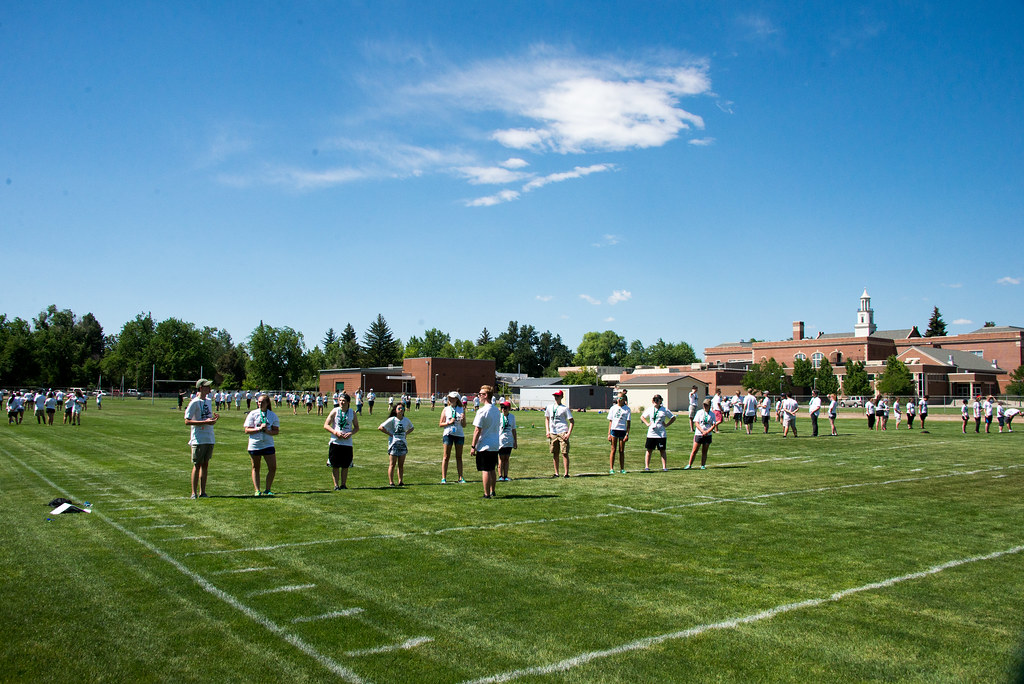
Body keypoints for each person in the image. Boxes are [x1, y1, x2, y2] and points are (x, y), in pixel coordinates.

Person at [184, 379, 219, 499]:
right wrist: (203, 422)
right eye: (207, 387)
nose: (209, 389)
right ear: (201, 388)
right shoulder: (194, 402)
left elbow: (208, 418)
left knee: (205, 464)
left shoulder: (209, 401)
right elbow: (187, 421)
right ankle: (193, 492)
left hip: (209, 437)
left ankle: (202, 492)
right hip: (198, 438)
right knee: (197, 464)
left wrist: (213, 420)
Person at [243, 393, 280, 496]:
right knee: (256, 467)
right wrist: (258, 429)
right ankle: (257, 490)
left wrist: (268, 431)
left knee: (272, 467)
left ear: (267, 403)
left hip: (268, 444)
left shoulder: (272, 415)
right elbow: (246, 430)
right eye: (259, 402)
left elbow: (276, 431)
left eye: (262, 402)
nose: (260, 404)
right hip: (255, 444)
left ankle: (268, 489)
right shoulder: (253, 414)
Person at [324, 392, 359, 490]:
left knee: (345, 465)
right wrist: (335, 433)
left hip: (347, 443)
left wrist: (351, 433)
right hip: (336, 441)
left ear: (348, 402)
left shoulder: (352, 413)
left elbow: (356, 427)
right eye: (340, 400)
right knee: (335, 465)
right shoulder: (335, 411)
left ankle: (343, 484)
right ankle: (336, 485)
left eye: (344, 401)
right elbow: (326, 425)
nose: (341, 402)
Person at [470, 385, 500, 498]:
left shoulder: (482, 411)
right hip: (495, 443)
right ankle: (493, 490)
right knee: (492, 468)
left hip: (485, 444)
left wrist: (473, 446)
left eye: (481, 394)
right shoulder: (496, 410)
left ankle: (486, 493)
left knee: (485, 469)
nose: (479, 396)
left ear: (486, 395)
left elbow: (477, 430)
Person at [378, 403, 413, 486]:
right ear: (395, 410)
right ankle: (391, 482)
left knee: (401, 465)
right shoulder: (392, 419)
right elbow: (380, 427)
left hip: (403, 443)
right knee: (392, 464)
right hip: (394, 444)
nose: (401, 410)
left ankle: (400, 481)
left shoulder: (406, 420)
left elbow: (412, 428)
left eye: (402, 409)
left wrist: (406, 434)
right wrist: (390, 434)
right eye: (399, 408)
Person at [641, 394, 676, 471]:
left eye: (658, 400)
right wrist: (647, 423)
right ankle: (647, 466)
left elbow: (673, 418)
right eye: (655, 400)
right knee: (649, 450)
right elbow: (642, 417)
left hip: (661, 433)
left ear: (661, 401)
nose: (656, 401)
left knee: (662, 450)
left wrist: (666, 425)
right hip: (651, 433)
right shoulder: (650, 409)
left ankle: (664, 467)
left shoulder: (664, 410)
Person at [439, 391, 466, 484]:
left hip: (459, 434)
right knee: (446, 456)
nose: (450, 400)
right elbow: (440, 423)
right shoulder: (446, 409)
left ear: (457, 399)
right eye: (449, 398)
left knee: (459, 457)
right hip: (448, 434)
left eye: (452, 398)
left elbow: (464, 425)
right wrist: (448, 422)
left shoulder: (461, 409)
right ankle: (443, 478)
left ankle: (460, 477)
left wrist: (463, 419)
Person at [545, 390, 574, 478]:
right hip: (553, 433)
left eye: (558, 396)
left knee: (564, 453)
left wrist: (568, 433)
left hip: (562, 432)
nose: (556, 397)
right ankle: (556, 472)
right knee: (555, 453)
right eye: (555, 396)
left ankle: (566, 473)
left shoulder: (564, 408)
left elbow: (572, 421)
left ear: (561, 397)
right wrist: (547, 430)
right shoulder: (550, 407)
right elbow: (547, 419)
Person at [686, 398, 715, 470]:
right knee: (694, 450)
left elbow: (713, 424)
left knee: (704, 451)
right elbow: (696, 423)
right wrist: (702, 431)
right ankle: (689, 464)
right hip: (699, 434)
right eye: (704, 405)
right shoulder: (699, 412)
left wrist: (707, 432)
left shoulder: (712, 414)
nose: (705, 406)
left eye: (706, 405)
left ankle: (703, 465)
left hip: (708, 435)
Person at [607, 393, 631, 473]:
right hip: (614, 430)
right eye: (618, 398)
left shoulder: (627, 409)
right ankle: (611, 468)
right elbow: (610, 421)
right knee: (613, 449)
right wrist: (609, 433)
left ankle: (622, 468)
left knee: (621, 450)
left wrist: (627, 434)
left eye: (620, 398)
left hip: (622, 430)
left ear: (624, 399)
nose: (618, 400)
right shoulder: (613, 408)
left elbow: (628, 423)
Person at [497, 400, 517, 482]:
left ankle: (506, 475)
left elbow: (514, 430)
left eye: (505, 408)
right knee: (501, 458)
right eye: (502, 407)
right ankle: (500, 475)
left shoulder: (512, 417)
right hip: (501, 441)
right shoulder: (499, 417)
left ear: (509, 408)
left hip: (509, 440)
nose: (503, 409)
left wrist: (515, 441)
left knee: (507, 458)